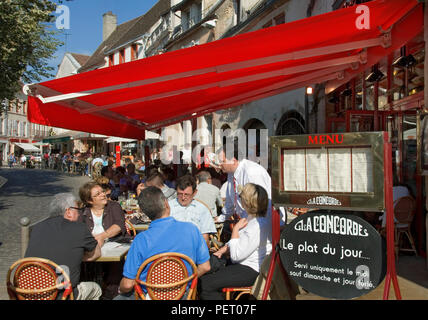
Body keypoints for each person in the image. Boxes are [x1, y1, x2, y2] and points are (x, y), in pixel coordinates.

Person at [115, 186, 211, 299]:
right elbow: (205, 267)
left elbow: (127, 284)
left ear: (145, 213)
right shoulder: (191, 229)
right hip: (182, 294)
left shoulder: (141, 240)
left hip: (149, 295)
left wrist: (120, 289)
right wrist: (186, 281)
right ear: (166, 204)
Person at [198, 183, 272, 300]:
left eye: (241, 197)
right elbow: (238, 243)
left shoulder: (258, 225)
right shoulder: (252, 218)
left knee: (206, 284)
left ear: (247, 202)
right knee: (203, 268)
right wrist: (223, 250)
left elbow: (236, 255)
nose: (239, 199)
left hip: (250, 269)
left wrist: (235, 230)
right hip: (243, 265)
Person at [25, 193, 102, 300]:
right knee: (96, 288)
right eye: (77, 210)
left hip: (30, 292)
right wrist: (78, 257)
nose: (79, 214)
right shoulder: (79, 228)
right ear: (69, 212)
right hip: (61, 294)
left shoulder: (37, 228)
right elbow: (97, 253)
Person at [78, 181, 127, 299]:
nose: (103, 195)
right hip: (91, 252)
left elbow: (119, 225)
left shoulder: (114, 206)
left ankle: (111, 294)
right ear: (89, 200)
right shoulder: (83, 213)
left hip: (114, 249)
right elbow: (78, 232)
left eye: (103, 192)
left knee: (114, 273)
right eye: (98, 194)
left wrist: (101, 236)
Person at [215, 137, 272, 223]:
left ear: (233, 160)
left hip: (262, 221)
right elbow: (230, 202)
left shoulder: (251, 172)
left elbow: (260, 203)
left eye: (222, 161)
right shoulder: (231, 173)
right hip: (247, 220)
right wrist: (221, 218)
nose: (220, 164)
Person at [169, 175, 217, 246]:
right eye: (180, 194)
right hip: (171, 248)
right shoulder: (168, 207)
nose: (183, 198)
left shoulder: (202, 209)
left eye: (187, 195)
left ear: (195, 193)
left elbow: (205, 238)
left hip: (193, 249)